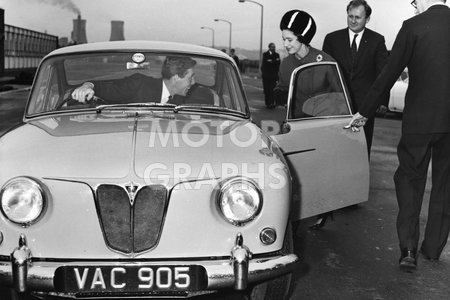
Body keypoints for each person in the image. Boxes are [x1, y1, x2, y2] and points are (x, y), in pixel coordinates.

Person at [346, 0, 450, 269]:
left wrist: (365, 111)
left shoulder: (413, 27)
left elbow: (389, 73)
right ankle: (433, 248)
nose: (414, 7)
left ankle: (408, 248)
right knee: (445, 184)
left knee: (409, 180)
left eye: (415, 2)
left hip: (419, 121)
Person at [273, 9, 337, 229]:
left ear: (303, 38)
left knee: (318, 172)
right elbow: (281, 88)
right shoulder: (285, 64)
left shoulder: (325, 62)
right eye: (284, 39)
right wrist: (279, 92)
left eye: (290, 39)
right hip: (294, 126)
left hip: (320, 128)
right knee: (292, 171)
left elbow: (339, 96)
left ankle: (323, 208)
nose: (286, 44)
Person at [322, 0, 389, 158]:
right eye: (350, 16)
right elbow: (324, 72)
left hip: (365, 107)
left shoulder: (377, 40)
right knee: (336, 150)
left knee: (361, 151)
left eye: (358, 17)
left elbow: (383, 74)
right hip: (337, 106)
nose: (353, 20)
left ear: (367, 19)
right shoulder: (332, 39)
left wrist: (382, 101)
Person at [71, 56, 197, 104]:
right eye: (190, 78)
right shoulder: (139, 84)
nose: (194, 82)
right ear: (176, 78)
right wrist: (87, 86)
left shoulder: (180, 99)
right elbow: (108, 88)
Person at [261, 42, 281, 109]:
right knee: (267, 90)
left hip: (274, 75)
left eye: (274, 47)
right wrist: (274, 61)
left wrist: (271, 61)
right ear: (269, 48)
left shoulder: (277, 55)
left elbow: (278, 63)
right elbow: (265, 63)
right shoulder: (265, 54)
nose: (274, 48)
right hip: (266, 76)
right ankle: (267, 103)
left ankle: (271, 103)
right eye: (272, 47)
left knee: (272, 90)